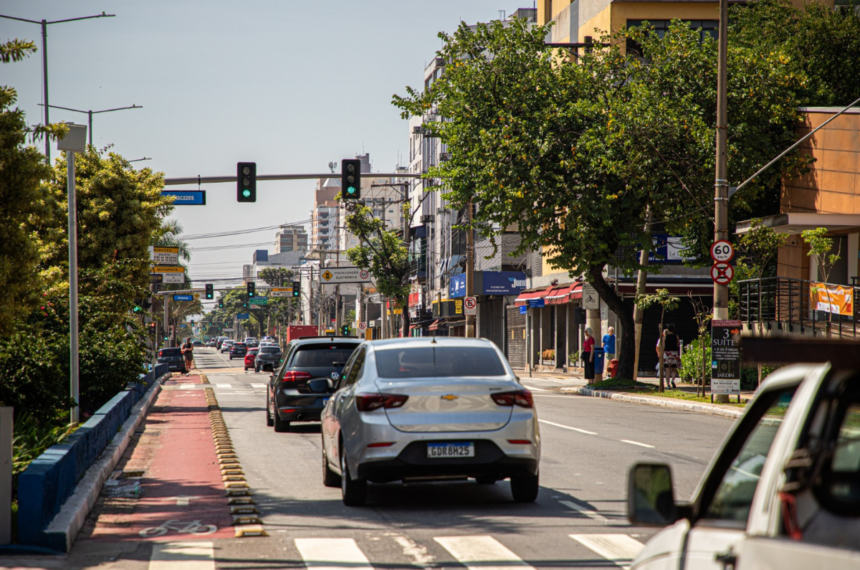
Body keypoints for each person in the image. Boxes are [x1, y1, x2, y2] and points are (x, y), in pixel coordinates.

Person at [656, 324, 680, 389]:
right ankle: (673, 380)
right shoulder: (676, 336)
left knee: (667, 370)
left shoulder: (665, 337)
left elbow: (663, 346)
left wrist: (662, 353)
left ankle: (668, 384)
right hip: (674, 354)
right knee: (674, 369)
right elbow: (678, 344)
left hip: (666, 354)